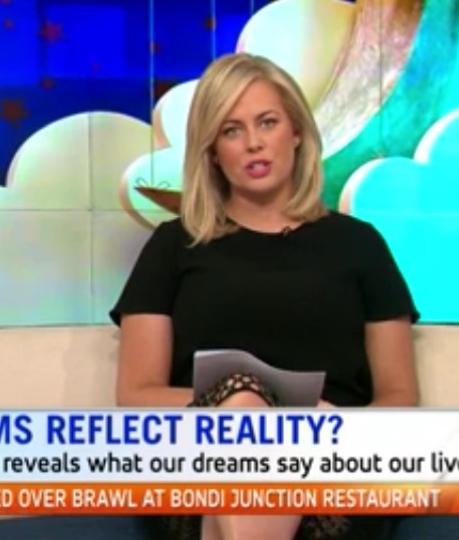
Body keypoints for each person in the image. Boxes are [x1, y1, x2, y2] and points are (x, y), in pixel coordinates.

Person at [110, 52, 420, 540]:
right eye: (231, 130)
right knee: (243, 409)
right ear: (213, 151)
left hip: (334, 465)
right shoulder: (173, 246)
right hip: (198, 465)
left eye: (267, 122)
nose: (253, 142)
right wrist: (256, 404)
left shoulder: (360, 245)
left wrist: (329, 429)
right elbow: (137, 395)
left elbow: (399, 397)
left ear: (296, 132)